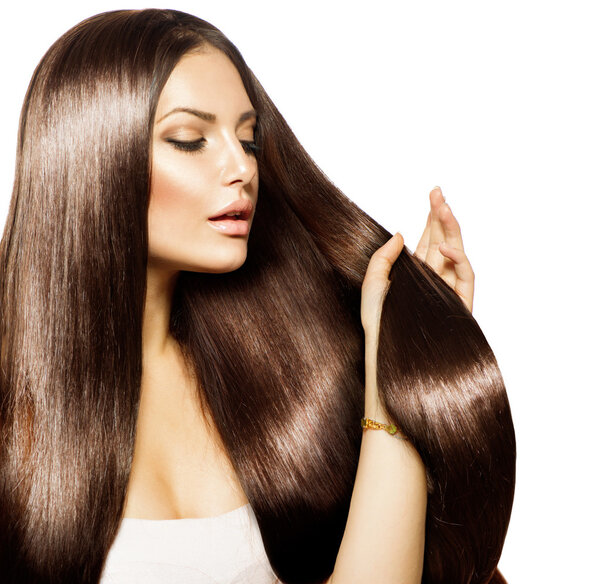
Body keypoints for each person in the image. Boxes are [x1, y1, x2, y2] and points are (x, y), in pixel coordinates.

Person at [0, 9, 516, 584]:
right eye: (190, 140)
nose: (242, 166)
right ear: (88, 161)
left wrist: (401, 367)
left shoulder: (286, 377)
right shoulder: (12, 411)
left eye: (248, 138)